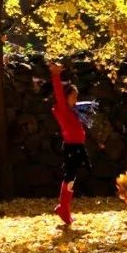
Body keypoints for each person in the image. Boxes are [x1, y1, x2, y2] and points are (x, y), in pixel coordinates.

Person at [48, 61, 94, 226]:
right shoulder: (63, 109)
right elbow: (58, 93)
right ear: (66, 97)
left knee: (72, 177)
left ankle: (64, 207)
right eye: (73, 96)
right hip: (71, 147)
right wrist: (55, 75)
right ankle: (63, 208)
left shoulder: (75, 112)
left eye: (77, 96)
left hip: (77, 147)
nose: (76, 98)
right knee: (69, 177)